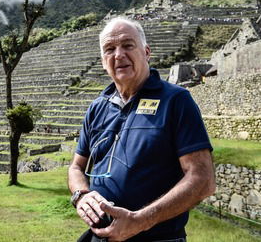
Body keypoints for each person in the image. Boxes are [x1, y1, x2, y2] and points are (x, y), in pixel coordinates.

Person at [68, 17, 216, 242]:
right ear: (102, 61)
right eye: (110, 49)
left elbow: (203, 179)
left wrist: (140, 220)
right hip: (100, 237)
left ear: (146, 52)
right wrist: (81, 195)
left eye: (128, 45)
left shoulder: (176, 101)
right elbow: (76, 167)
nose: (118, 55)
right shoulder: (98, 107)